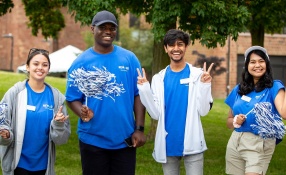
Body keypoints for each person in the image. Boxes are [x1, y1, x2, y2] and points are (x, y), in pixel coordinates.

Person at [65, 10, 146, 175]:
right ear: (92, 29)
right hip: (92, 139)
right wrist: (82, 112)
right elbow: (72, 98)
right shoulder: (81, 63)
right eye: (103, 27)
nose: (108, 31)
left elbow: (139, 94)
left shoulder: (129, 59)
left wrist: (139, 128)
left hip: (125, 140)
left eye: (112, 28)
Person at [136, 29, 214, 175]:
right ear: (166, 49)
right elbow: (155, 114)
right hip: (168, 144)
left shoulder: (198, 76)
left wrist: (205, 86)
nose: (176, 48)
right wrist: (145, 89)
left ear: (185, 47)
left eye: (180, 44)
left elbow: (203, 111)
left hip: (193, 142)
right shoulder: (159, 78)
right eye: (171, 45)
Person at [225, 46, 286, 175]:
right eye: (252, 62)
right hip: (235, 142)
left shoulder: (274, 86)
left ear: (267, 64)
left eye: (261, 61)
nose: (257, 65)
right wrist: (235, 120)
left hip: (259, 142)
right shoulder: (239, 89)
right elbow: (229, 122)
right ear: (247, 65)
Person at [0, 48, 71, 175]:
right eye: (36, 64)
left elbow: (61, 140)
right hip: (17, 165)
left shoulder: (57, 98)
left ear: (49, 69)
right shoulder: (14, 93)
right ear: (27, 67)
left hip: (44, 167)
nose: (40, 68)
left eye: (45, 65)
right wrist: (5, 133)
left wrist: (58, 124)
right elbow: (2, 121)